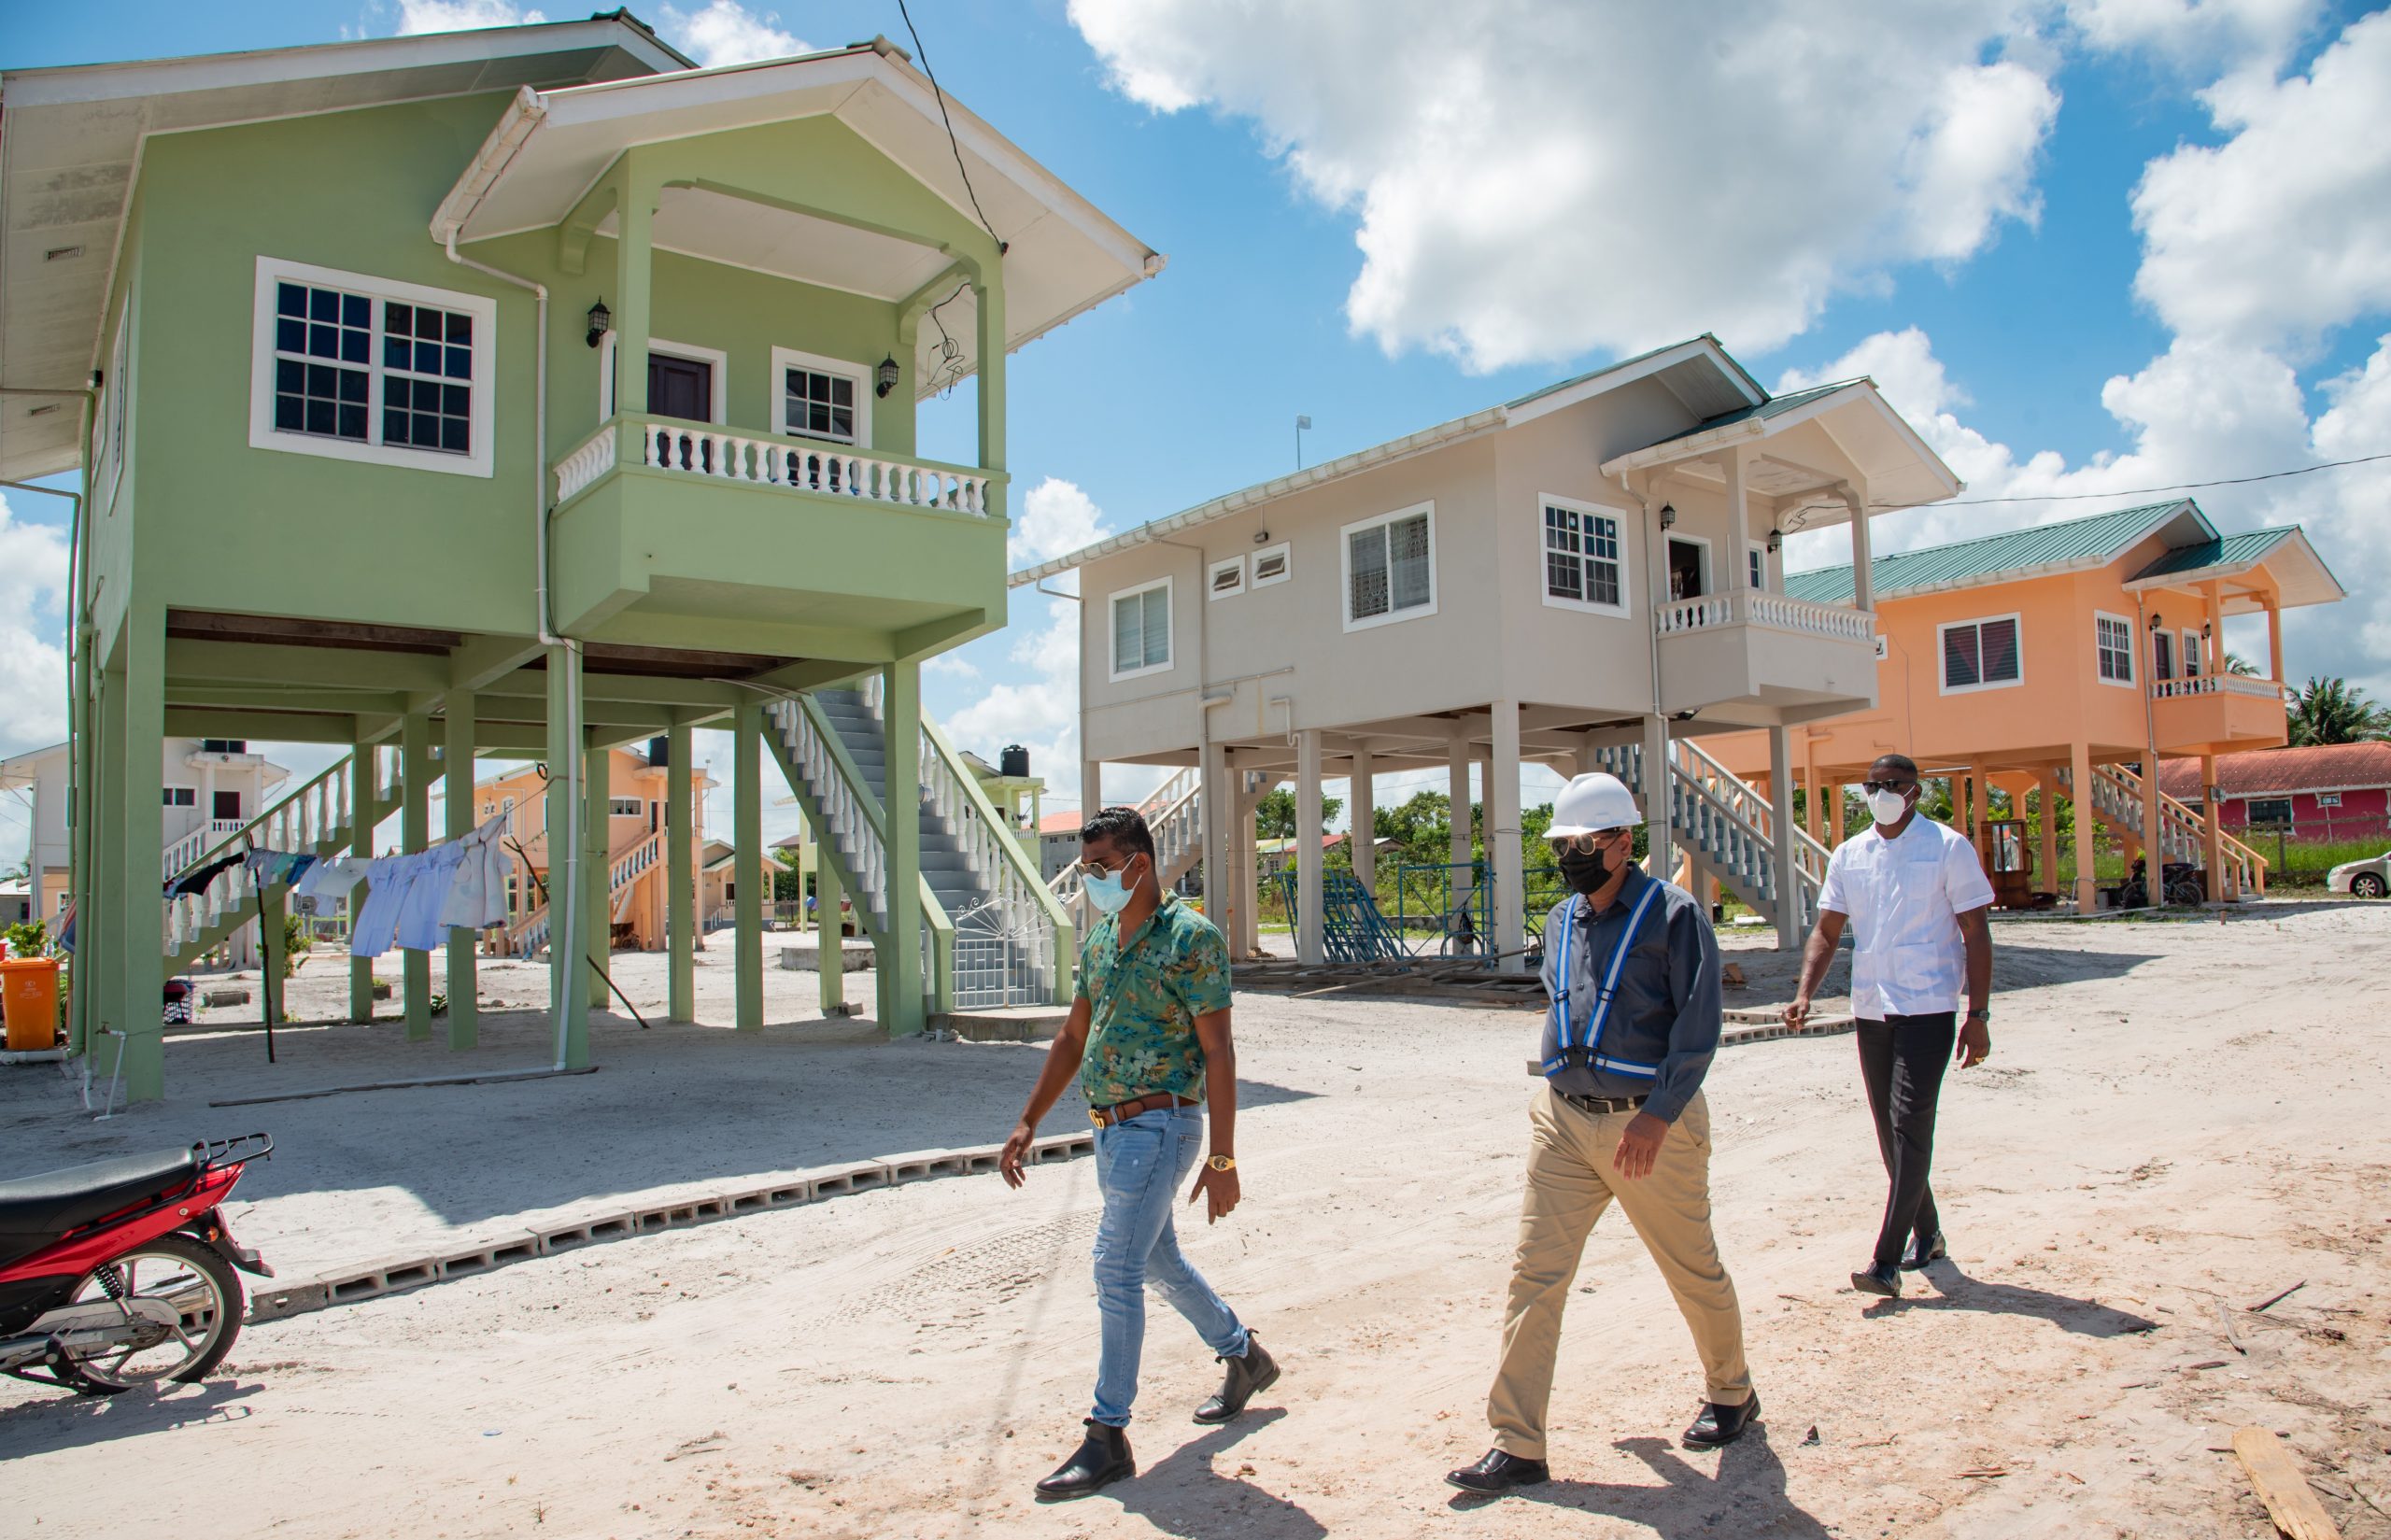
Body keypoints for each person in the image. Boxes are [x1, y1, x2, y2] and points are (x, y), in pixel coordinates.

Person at [1447, 772, 1757, 1497]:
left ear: (1624, 842)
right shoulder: (1562, 920)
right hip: (1563, 1121)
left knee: (1691, 1267)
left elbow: (1698, 1028)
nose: (1571, 856)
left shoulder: (1675, 918)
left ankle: (1733, 1392)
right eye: (1563, 844)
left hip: (1650, 1126)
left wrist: (1657, 1114)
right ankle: (1517, 1441)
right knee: (1534, 1275)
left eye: (1584, 842)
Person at [999, 806, 1276, 1501]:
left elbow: (1218, 1050)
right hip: (1110, 1130)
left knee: (1114, 1265)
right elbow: (1071, 1035)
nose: (1091, 877)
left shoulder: (1192, 938)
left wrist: (1223, 1156)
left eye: (1100, 866)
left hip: (1161, 1126)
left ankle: (1107, 1433)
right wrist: (1028, 1119)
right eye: (1087, 866)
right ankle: (1244, 1353)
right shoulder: (1099, 942)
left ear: (1138, 864)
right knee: (1154, 1258)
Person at [1785, 753, 1994, 1300]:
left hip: (1928, 1007)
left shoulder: (1948, 848)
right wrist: (1805, 992)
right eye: (1871, 785)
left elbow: (1976, 931)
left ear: (1915, 792)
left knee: (1910, 1127)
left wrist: (1978, 1014)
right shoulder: (1850, 855)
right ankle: (1929, 1235)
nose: (1879, 793)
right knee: (1889, 1134)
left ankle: (1885, 1261)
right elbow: (1827, 931)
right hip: (1872, 1008)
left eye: (1891, 785)